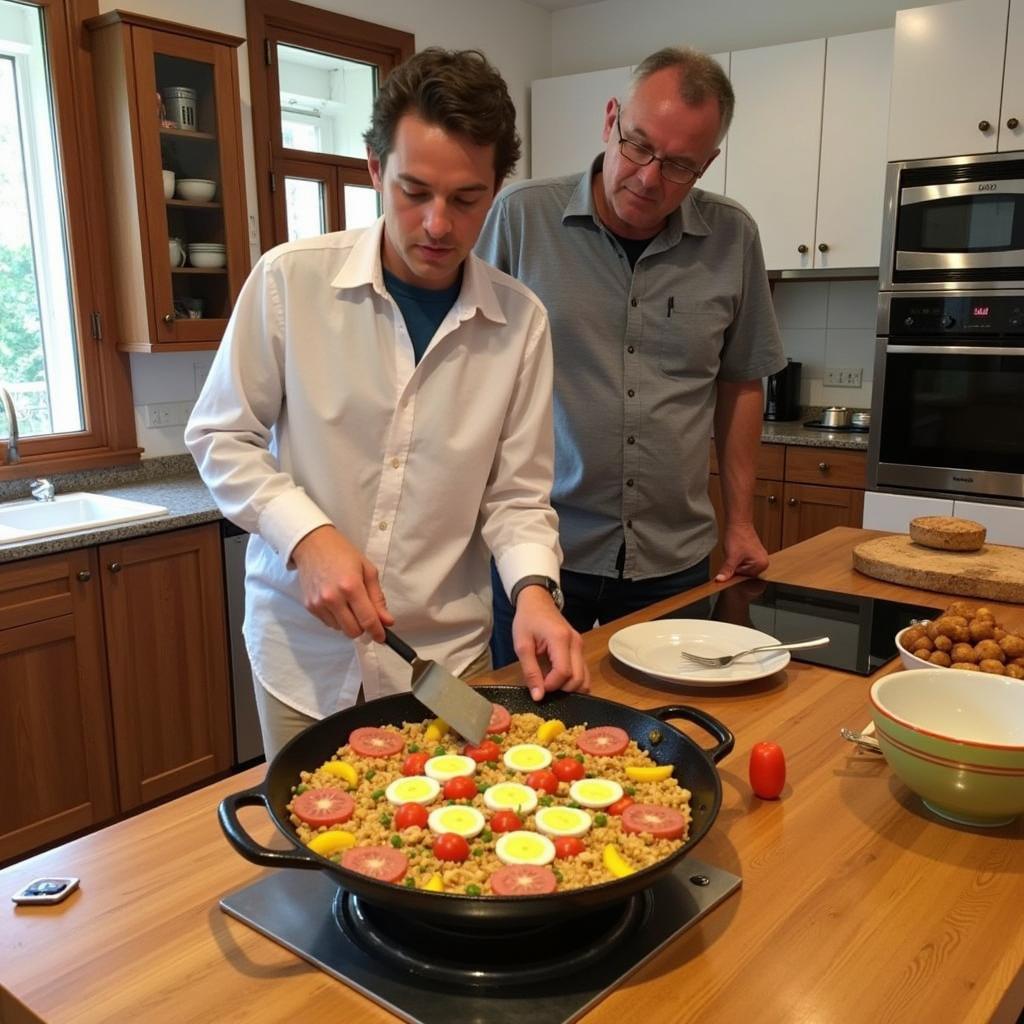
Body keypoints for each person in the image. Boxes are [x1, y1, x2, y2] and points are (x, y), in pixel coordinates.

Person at [186, 48, 587, 759]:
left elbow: (518, 496)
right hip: (302, 659)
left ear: (495, 190)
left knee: (437, 849)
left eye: (465, 199)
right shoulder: (289, 283)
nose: (437, 224)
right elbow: (221, 436)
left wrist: (533, 592)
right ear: (375, 169)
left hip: (442, 658)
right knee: (311, 853)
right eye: (414, 191)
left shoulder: (521, 323)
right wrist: (307, 537)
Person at [476, 46, 786, 666]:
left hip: (674, 556)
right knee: (532, 732)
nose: (648, 178)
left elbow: (742, 382)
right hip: (542, 554)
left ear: (709, 164)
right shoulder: (520, 219)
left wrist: (742, 520)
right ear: (611, 118)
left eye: (678, 165)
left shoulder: (733, 237)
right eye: (638, 146)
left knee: (667, 735)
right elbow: (469, 372)